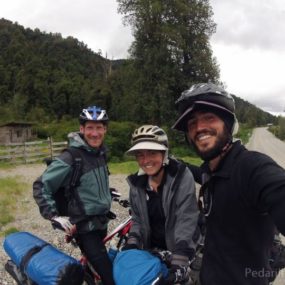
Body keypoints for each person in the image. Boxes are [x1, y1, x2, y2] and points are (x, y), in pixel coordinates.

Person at [172, 82, 285, 285]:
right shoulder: (211, 169)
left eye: (209, 118)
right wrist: (176, 163)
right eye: (192, 123)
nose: (199, 128)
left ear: (228, 123)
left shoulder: (251, 167)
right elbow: (202, 174)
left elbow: (276, 187)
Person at [33, 106, 115, 285]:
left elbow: (85, 185)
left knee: (96, 267)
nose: (95, 133)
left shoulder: (100, 153)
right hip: (85, 228)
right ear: (82, 129)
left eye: (99, 127)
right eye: (90, 128)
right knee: (111, 278)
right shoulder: (71, 157)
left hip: (101, 222)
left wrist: (108, 192)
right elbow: (41, 185)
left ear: (105, 129)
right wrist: (53, 215)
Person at [123, 125, 200, 284]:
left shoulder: (181, 177)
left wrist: (180, 260)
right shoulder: (136, 185)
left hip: (184, 248)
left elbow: (186, 218)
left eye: (152, 153)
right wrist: (131, 245)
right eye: (140, 155)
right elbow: (137, 220)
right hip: (154, 250)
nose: (146, 160)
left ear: (164, 153)